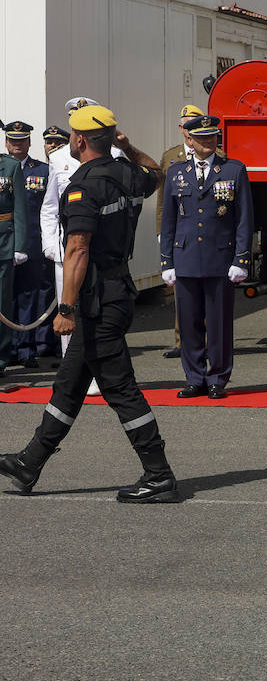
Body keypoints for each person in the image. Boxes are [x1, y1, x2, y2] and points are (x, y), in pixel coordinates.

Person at [0, 104, 176, 502]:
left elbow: (78, 247)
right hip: (115, 291)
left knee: (120, 388)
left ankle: (159, 474)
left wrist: (65, 309)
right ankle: (30, 462)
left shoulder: (84, 184)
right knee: (69, 383)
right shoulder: (127, 173)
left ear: (79, 140)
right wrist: (127, 147)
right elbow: (155, 173)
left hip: (98, 300)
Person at [159, 115, 253, 400]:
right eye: (201, 137)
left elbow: (244, 219)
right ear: (189, 140)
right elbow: (169, 220)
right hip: (186, 256)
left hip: (220, 258)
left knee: (219, 324)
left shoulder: (234, 170)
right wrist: (167, 261)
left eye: (212, 136)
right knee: (188, 323)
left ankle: (218, 377)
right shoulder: (176, 172)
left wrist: (242, 259)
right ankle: (194, 377)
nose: (208, 141)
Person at [41, 97, 123, 358]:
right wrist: (50, 245)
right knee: (69, 309)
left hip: (100, 248)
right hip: (68, 247)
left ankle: (96, 371)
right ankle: (70, 365)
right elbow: (50, 206)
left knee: (98, 310)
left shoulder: (116, 155)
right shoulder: (58, 158)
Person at [156, 103, 208, 361]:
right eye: (186, 124)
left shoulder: (216, 153)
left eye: (195, 124)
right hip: (180, 234)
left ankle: (207, 340)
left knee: (208, 293)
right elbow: (163, 201)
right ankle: (182, 341)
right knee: (181, 292)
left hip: (208, 235)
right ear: (181, 128)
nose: (190, 130)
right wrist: (160, 231)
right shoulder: (170, 156)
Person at [7, 121, 55, 368]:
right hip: (5, 244)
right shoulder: (3, 169)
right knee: (6, 299)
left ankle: (26, 349)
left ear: (28, 142)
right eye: (12, 140)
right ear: (6, 142)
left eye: (21, 140)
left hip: (33, 244)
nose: (17, 144)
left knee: (29, 296)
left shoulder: (43, 171)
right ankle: (8, 348)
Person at [0, 123, 28, 372]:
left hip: (3, 243)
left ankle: (0, 358)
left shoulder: (10, 166)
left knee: (1, 302)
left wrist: (19, 245)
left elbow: (19, 208)